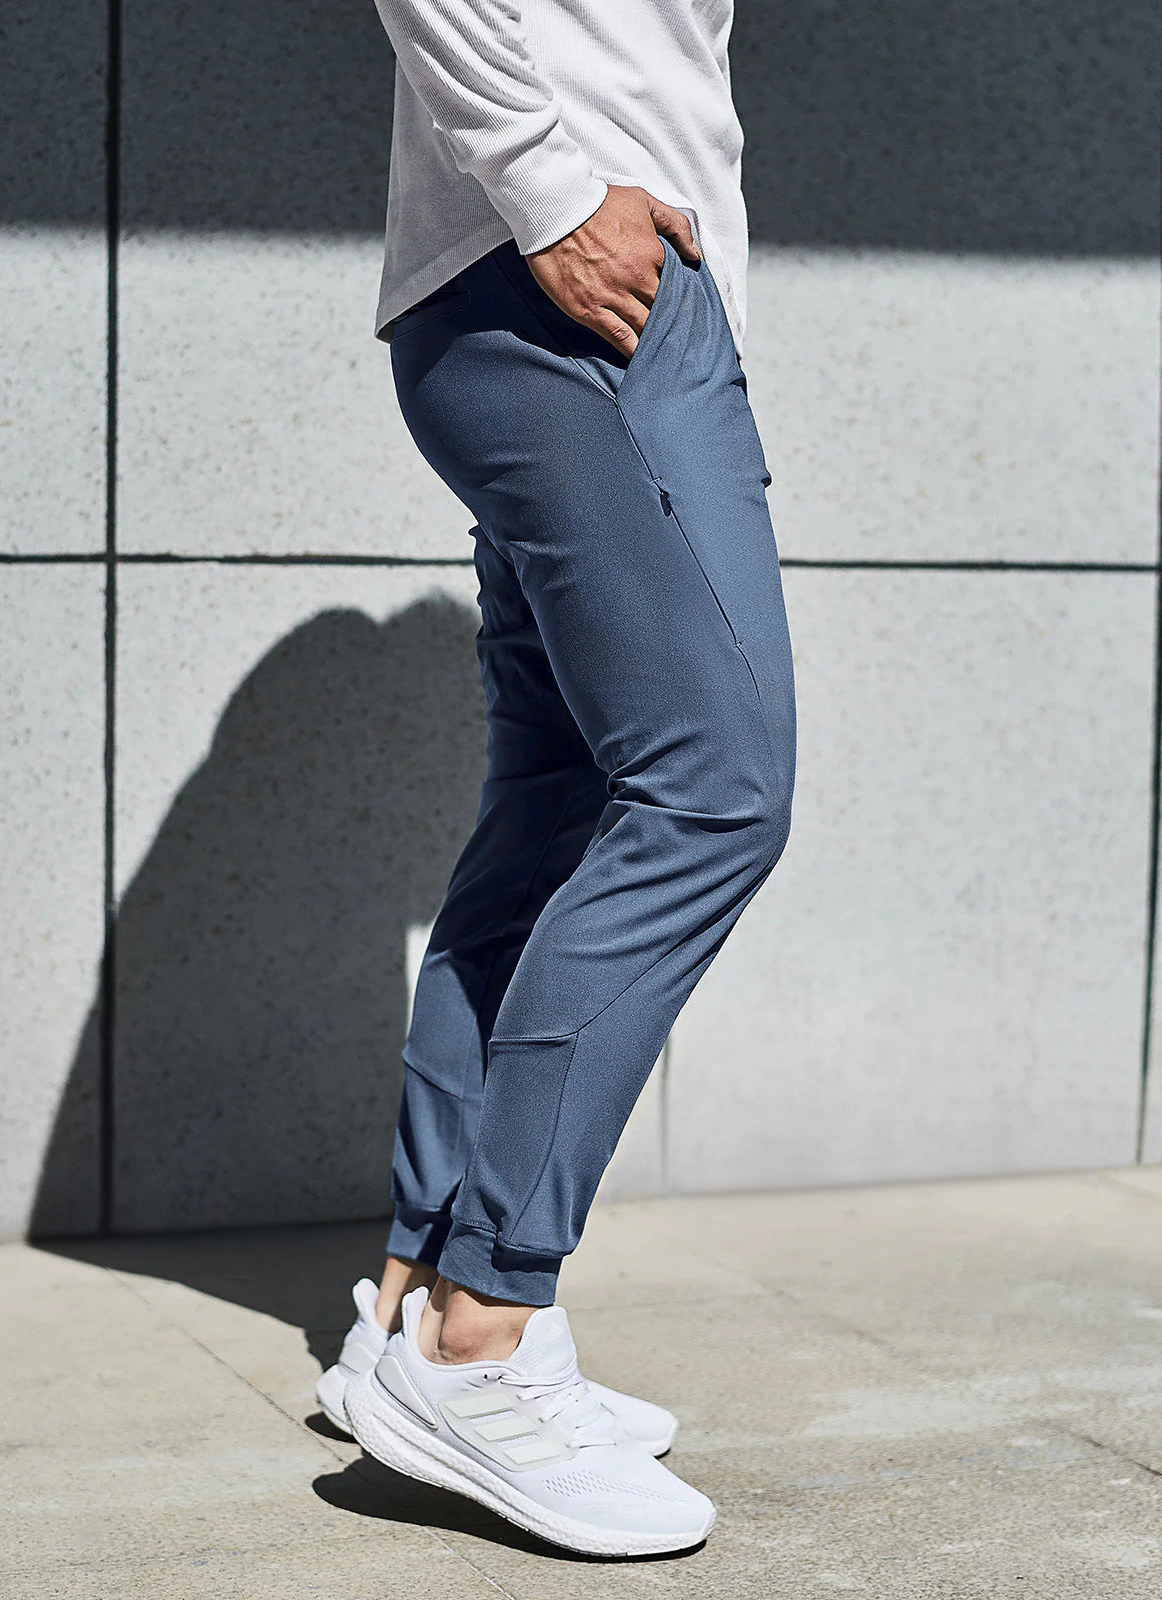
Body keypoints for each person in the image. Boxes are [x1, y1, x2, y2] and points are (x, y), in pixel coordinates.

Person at [319, 0, 796, 1557]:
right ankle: (483, 1339)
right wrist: (552, 188)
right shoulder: (571, 223)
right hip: (583, 283)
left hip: (516, 289)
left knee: (560, 802)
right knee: (714, 791)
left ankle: (409, 1307)